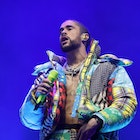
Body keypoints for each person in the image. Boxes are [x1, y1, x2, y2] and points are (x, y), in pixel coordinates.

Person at [19, 19, 138, 140]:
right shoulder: (48, 73)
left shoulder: (107, 68)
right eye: (61, 31)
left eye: (69, 28)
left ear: (85, 36)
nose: (63, 32)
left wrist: (98, 120)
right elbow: (29, 120)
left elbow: (127, 103)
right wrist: (37, 98)